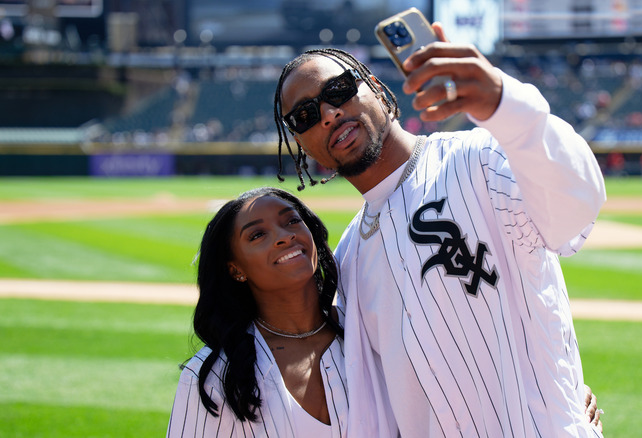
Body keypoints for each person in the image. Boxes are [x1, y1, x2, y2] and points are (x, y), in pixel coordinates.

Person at [273, 21, 605, 438]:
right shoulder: (350, 257)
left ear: (375, 87)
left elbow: (576, 207)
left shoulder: (479, 158)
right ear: (302, 142)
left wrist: (505, 104)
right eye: (304, 116)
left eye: (338, 90)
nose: (327, 113)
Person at [167, 187, 348, 437]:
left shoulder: (366, 331)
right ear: (235, 269)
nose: (284, 236)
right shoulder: (216, 376)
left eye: (293, 221)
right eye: (258, 234)